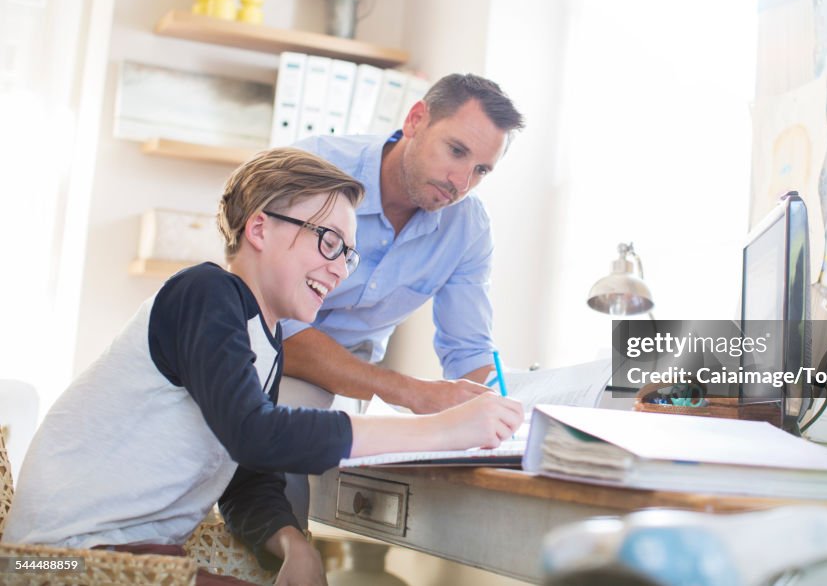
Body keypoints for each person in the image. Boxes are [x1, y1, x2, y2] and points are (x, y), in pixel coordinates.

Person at [5, 148, 523, 586]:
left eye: (349, 256)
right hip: (54, 559)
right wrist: (438, 430)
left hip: (132, 557)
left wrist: (291, 541)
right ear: (259, 227)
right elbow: (256, 434)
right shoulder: (206, 293)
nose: (340, 269)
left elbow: (245, 476)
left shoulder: (266, 340)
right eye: (329, 242)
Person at [283, 73, 525, 413]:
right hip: (263, 357)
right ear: (415, 121)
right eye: (456, 151)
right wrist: (413, 392)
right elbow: (273, 326)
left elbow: (468, 351)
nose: (462, 182)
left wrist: (500, 412)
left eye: (481, 170)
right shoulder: (312, 170)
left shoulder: (467, 227)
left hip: (358, 386)